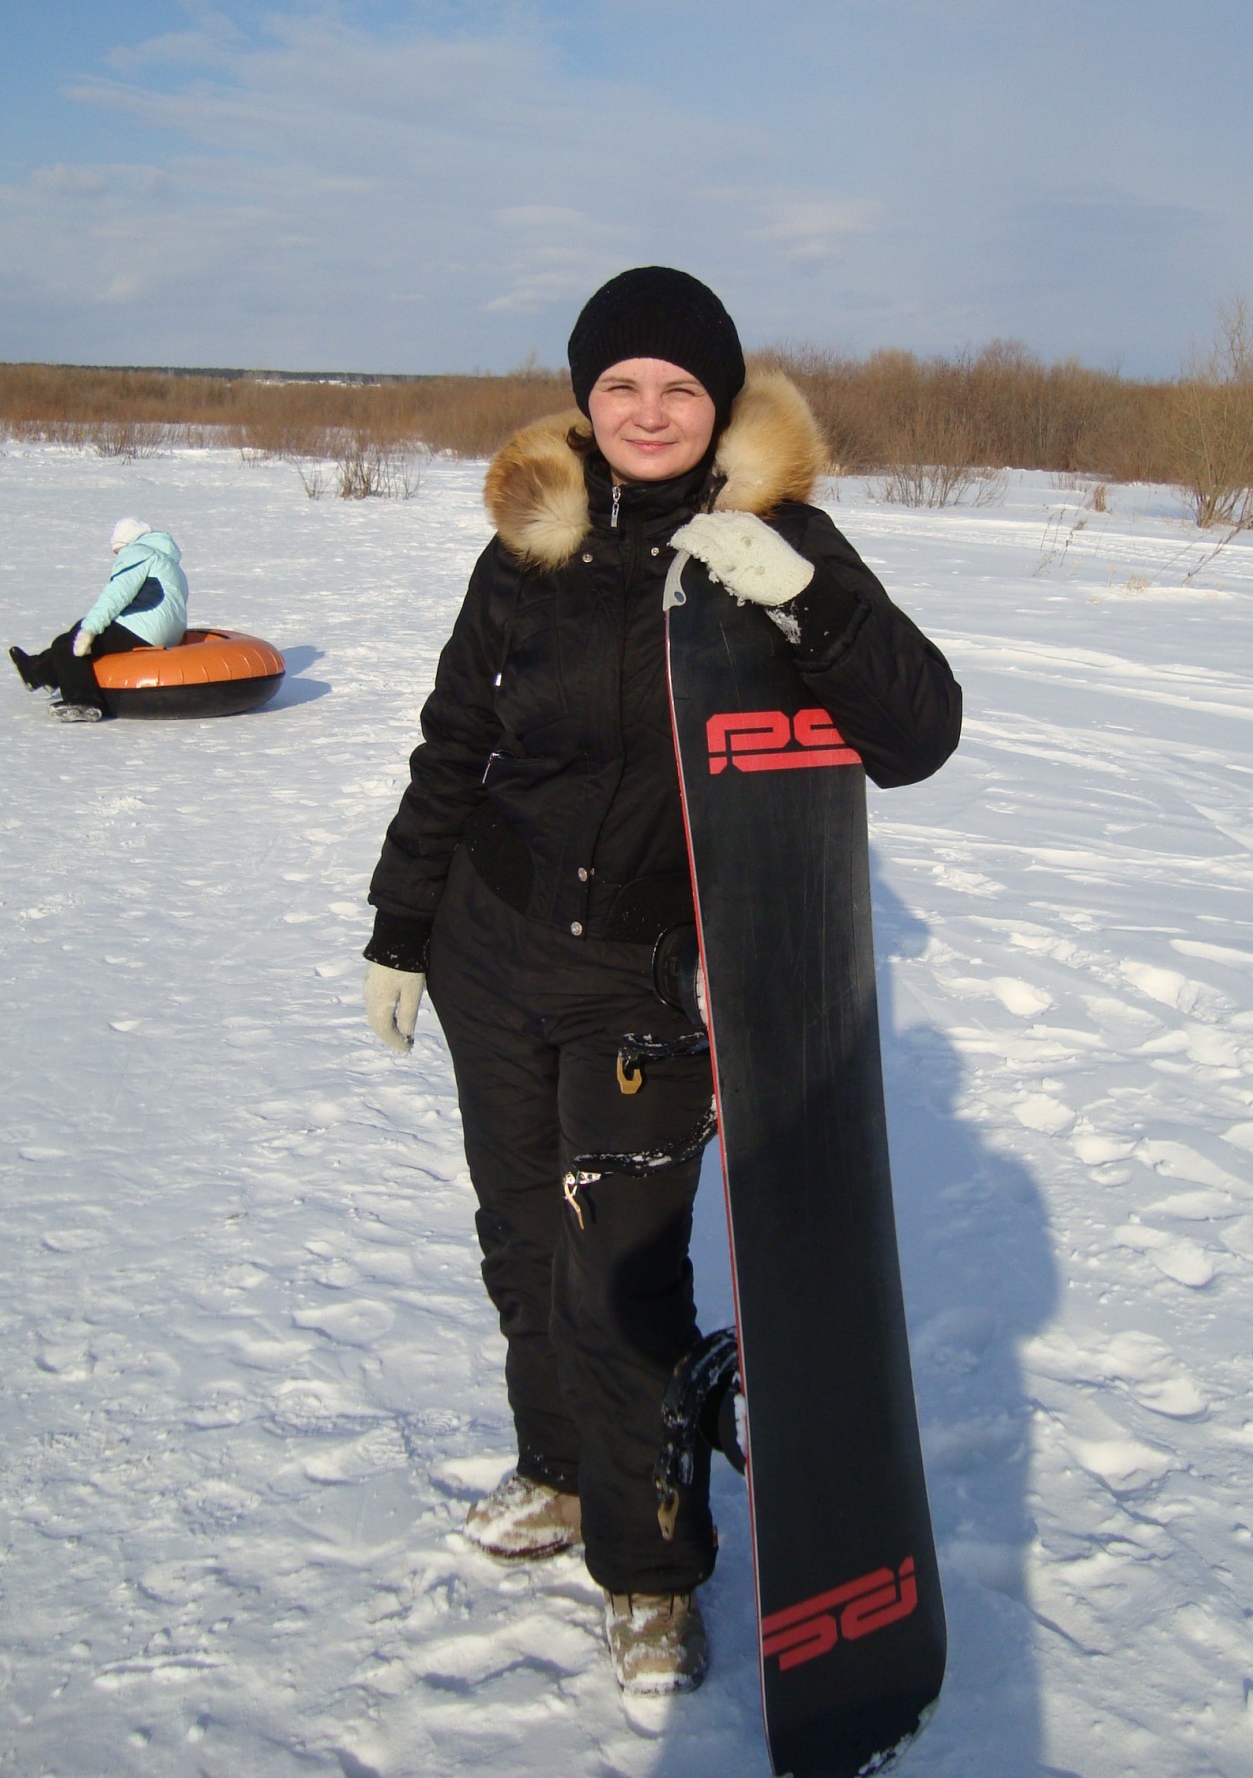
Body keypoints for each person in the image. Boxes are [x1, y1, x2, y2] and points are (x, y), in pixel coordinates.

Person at [361, 267, 961, 1694]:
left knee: (622, 1281)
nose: (647, 411)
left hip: (650, 980)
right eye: (620, 385)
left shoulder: (774, 535)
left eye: (679, 387)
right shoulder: (532, 536)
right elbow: (453, 740)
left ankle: (650, 1570)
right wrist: (400, 924)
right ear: (587, 398)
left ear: (718, 399)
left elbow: (919, 732)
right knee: (522, 1242)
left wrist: (807, 599)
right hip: (493, 946)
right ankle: (561, 1469)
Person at [10, 517, 189, 720]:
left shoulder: (137, 553)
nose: (118, 556)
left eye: (117, 551)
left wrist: (90, 630)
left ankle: (83, 700)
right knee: (79, 628)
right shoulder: (168, 563)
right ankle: (39, 672)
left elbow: (116, 596)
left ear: (126, 544)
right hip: (169, 633)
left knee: (66, 644)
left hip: (144, 629)